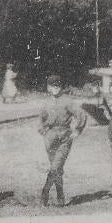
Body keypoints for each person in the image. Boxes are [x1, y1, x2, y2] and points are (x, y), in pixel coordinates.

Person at [38, 74, 88, 207]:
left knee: (56, 166)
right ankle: (60, 195)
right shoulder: (46, 102)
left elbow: (81, 114)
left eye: (58, 86)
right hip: (50, 138)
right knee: (57, 169)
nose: (55, 88)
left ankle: (45, 191)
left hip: (64, 137)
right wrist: (42, 129)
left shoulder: (67, 101)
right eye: (52, 86)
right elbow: (41, 118)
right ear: (48, 88)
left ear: (61, 87)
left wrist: (77, 130)